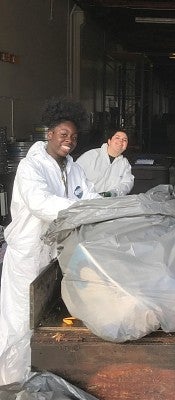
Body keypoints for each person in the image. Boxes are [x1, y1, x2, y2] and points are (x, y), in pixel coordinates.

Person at [0, 97, 100, 385]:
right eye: (63, 134)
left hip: (54, 254)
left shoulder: (73, 167)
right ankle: (12, 383)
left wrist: (112, 207)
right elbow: (41, 203)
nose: (69, 140)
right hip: (29, 255)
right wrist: (82, 210)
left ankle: (40, 381)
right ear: (50, 134)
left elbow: (87, 195)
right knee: (21, 321)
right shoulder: (31, 167)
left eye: (74, 136)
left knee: (44, 320)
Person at [76, 129, 135, 197]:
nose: (121, 141)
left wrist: (113, 193)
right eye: (117, 137)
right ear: (109, 141)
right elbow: (75, 176)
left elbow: (127, 183)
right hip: (86, 201)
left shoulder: (124, 163)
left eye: (125, 140)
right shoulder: (91, 155)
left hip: (109, 203)